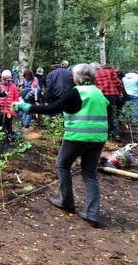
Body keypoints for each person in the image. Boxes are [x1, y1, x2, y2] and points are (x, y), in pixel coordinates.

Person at [15, 63, 108, 228]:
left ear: (76, 77)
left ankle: (67, 201)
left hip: (77, 137)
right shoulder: (99, 93)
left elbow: (52, 109)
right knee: (90, 174)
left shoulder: (76, 93)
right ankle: (93, 214)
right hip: (98, 139)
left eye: (72, 75)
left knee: (63, 165)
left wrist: (28, 107)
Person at [95, 63, 124, 142]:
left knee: (100, 114)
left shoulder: (94, 73)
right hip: (111, 95)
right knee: (112, 114)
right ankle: (116, 134)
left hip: (99, 95)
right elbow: (118, 83)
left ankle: (102, 134)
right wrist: (120, 92)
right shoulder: (110, 72)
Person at [0, 70, 19, 141]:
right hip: (0, 110)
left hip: (9, 111)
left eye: (8, 80)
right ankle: (1, 139)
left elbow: (16, 100)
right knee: (0, 126)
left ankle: (10, 138)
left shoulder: (13, 87)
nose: (6, 81)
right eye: (4, 79)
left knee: (8, 126)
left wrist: (12, 111)